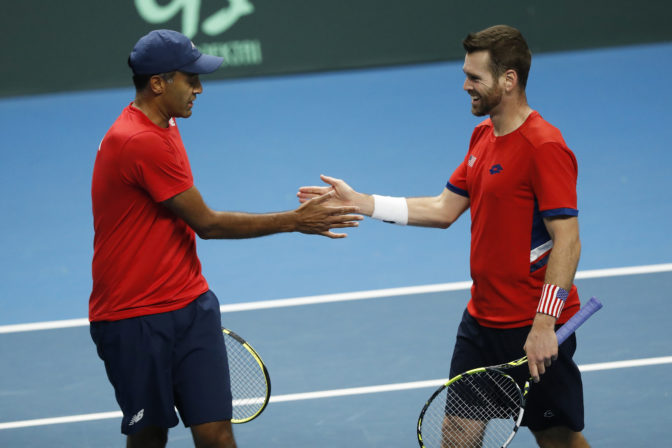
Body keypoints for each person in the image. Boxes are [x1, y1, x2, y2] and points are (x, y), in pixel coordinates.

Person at [298, 25, 588, 447]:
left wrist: (544, 324)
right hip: (481, 321)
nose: (465, 85)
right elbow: (443, 209)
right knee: (455, 434)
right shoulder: (483, 137)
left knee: (556, 438)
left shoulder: (544, 146)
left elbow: (568, 241)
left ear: (508, 80)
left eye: (475, 78)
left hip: (531, 325)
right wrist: (362, 201)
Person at [89, 29, 361, 448]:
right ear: (158, 83)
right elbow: (208, 224)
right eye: (190, 78)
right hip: (134, 316)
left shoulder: (165, 121)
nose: (199, 87)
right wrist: (294, 220)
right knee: (150, 437)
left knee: (217, 434)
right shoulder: (138, 140)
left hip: (190, 304)